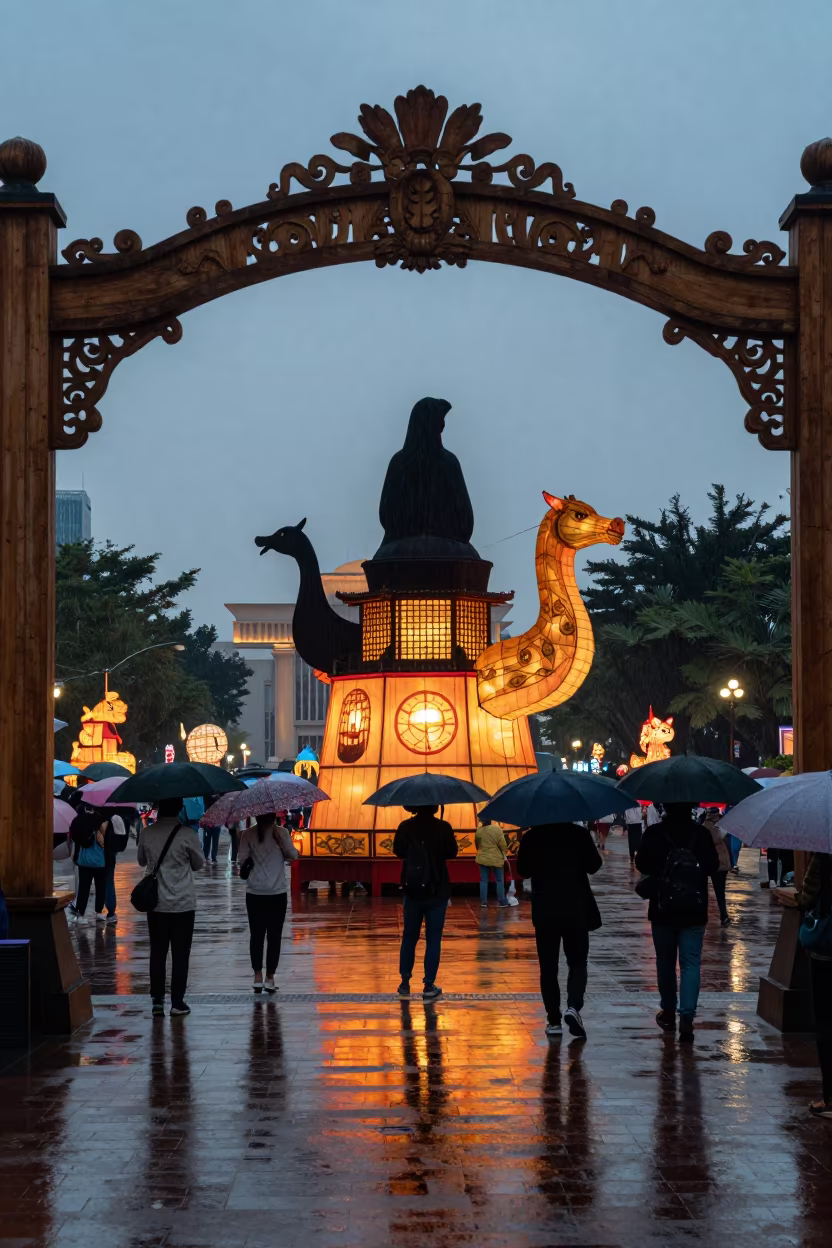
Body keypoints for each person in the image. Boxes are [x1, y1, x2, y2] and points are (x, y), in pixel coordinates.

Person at [635, 803, 720, 1041]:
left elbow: (641, 864)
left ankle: (669, 1011)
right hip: (694, 907)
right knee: (691, 962)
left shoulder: (654, 833)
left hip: (663, 907)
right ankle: (687, 1016)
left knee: (665, 961)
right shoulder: (701, 833)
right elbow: (713, 866)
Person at [516, 821, 602, 1039]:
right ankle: (573, 1006)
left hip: (545, 909)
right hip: (575, 907)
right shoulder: (579, 834)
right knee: (578, 961)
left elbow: (523, 871)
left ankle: (553, 1020)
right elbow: (594, 865)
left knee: (548, 967)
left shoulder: (532, 837)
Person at [137, 797, 204, 1017]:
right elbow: (198, 864)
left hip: (156, 904)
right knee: (180, 954)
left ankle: (157, 1000)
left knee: (157, 952)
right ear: (179, 809)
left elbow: (141, 861)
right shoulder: (188, 834)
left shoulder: (147, 833)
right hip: (183, 903)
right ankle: (177, 1002)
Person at [393, 804, 458, 1000]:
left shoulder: (405, 826)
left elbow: (398, 851)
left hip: (412, 889)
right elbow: (452, 853)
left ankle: (404, 982)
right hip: (437, 888)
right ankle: (429, 984)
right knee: (433, 938)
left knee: (409, 936)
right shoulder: (443, 827)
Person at [238, 814, 299, 992]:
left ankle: (257, 976)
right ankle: (270, 978)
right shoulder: (281, 833)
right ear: (273, 815)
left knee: (256, 935)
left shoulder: (247, 834)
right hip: (277, 892)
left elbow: (241, 860)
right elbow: (293, 855)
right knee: (274, 937)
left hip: (254, 892)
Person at [798, 852, 832, 1118]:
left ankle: (830, 1098)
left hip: (826, 951)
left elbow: (806, 898)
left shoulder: (824, 855)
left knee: (826, 1023)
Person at [71, 808, 113, 923]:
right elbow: (104, 843)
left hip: (83, 861)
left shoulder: (79, 822)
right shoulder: (99, 822)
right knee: (100, 888)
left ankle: (80, 913)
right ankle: (98, 912)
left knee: (83, 888)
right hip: (99, 862)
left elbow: (75, 838)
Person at [700, 807, 731, 926]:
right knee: (720, 891)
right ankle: (724, 916)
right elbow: (724, 841)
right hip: (721, 861)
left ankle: (703, 916)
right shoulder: (723, 824)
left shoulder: (704, 825)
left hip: (706, 860)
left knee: (703, 891)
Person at [475, 816, 509, 908]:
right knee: (499, 880)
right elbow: (503, 844)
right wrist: (504, 853)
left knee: (483, 880)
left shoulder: (479, 831)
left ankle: (484, 902)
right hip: (496, 858)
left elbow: (477, 845)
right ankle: (502, 901)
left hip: (483, 858)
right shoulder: (497, 829)